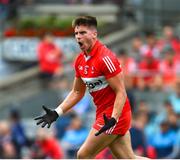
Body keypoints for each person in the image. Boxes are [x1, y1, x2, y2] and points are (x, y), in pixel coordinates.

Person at [34, 16, 148, 159]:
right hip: (103, 114)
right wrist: (57, 112)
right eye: (76, 33)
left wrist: (114, 118)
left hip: (115, 115)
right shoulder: (80, 61)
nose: (78, 37)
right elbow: (77, 92)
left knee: (83, 154)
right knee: (128, 158)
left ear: (94, 34)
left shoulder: (105, 58)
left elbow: (121, 92)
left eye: (82, 33)